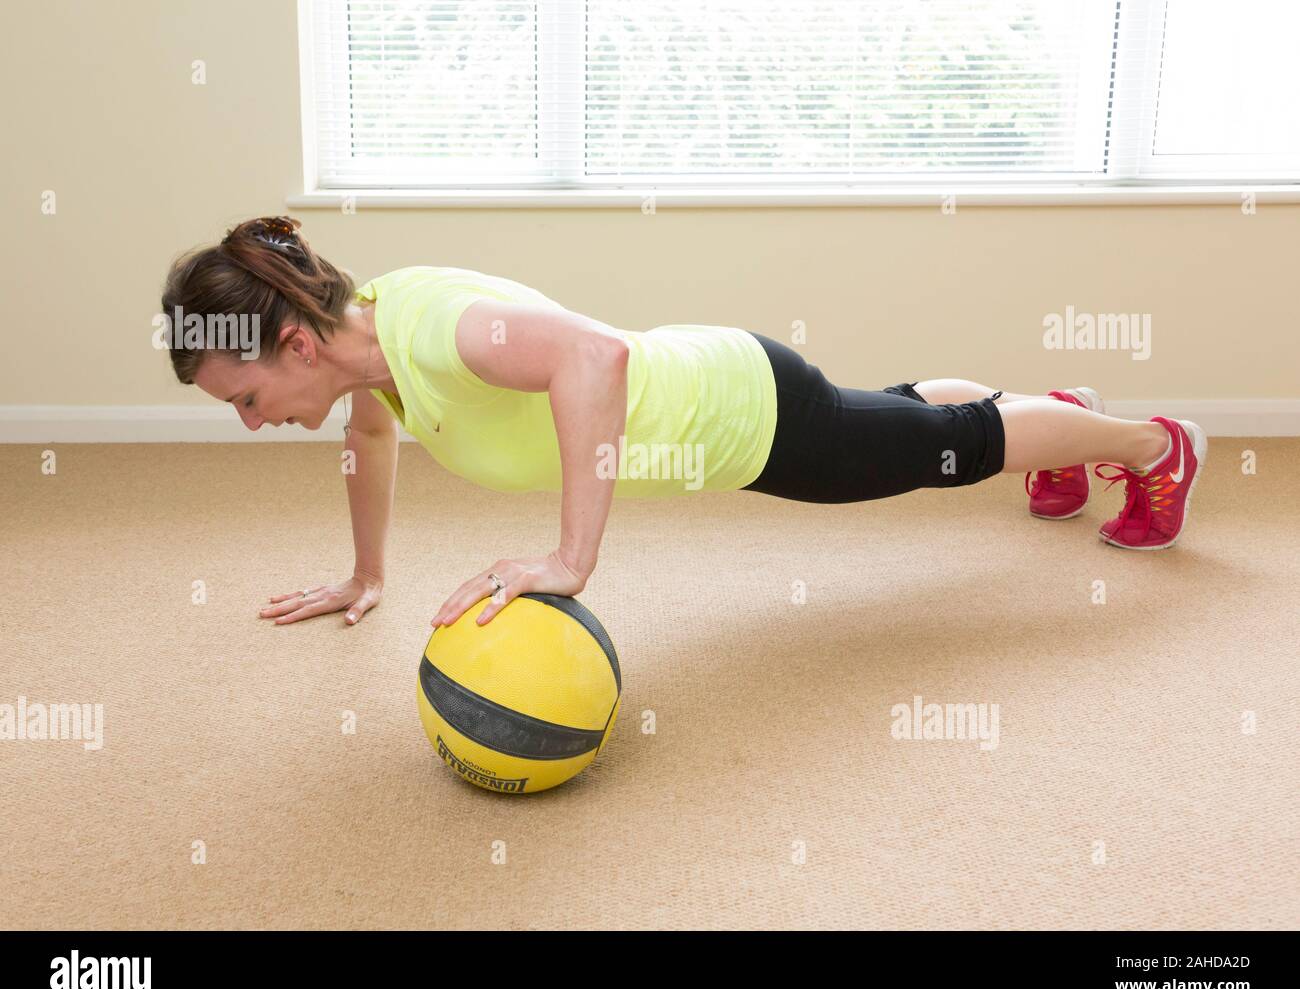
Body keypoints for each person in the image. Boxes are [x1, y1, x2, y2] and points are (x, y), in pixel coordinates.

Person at [160, 216, 1207, 630]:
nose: (253, 425)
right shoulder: (372, 347)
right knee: (897, 415)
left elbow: (594, 355)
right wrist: (364, 573)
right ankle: (1055, 424)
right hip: (733, 384)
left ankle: (1149, 444)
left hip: (744, 419)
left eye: (244, 400)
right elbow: (373, 438)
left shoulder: (430, 332)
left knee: (950, 454)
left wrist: (574, 556)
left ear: (293, 347)